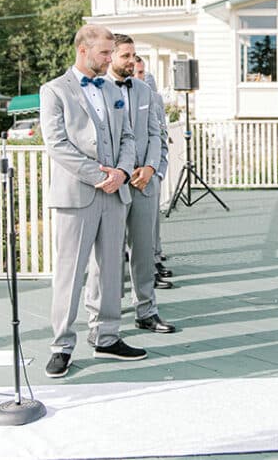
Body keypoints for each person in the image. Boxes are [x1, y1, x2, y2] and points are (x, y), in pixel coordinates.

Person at [40, 24, 145, 379]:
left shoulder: (112, 89)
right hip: (78, 195)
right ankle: (61, 346)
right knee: (71, 273)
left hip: (116, 193)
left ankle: (107, 335)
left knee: (110, 269)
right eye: (104, 53)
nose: (109, 59)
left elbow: (129, 136)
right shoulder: (54, 91)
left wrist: (122, 172)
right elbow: (57, 144)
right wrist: (99, 175)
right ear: (84, 51)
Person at [86, 35, 175, 334]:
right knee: (105, 255)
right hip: (111, 182)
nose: (132, 61)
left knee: (144, 250)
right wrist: (116, 173)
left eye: (134, 56)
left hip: (143, 182)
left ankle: (147, 310)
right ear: (110, 56)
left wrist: (151, 168)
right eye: (126, 55)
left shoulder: (144, 90)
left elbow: (155, 134)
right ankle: (100, 318)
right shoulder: (95, 89)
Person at [135, 57, 173, 281]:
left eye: (141, 72)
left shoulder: (153, 98)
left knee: (151, 225)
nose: (138, 77)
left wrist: (157, 171)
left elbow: (161, 135)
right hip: (124, 176)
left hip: (150, 173)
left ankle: (153, 263)